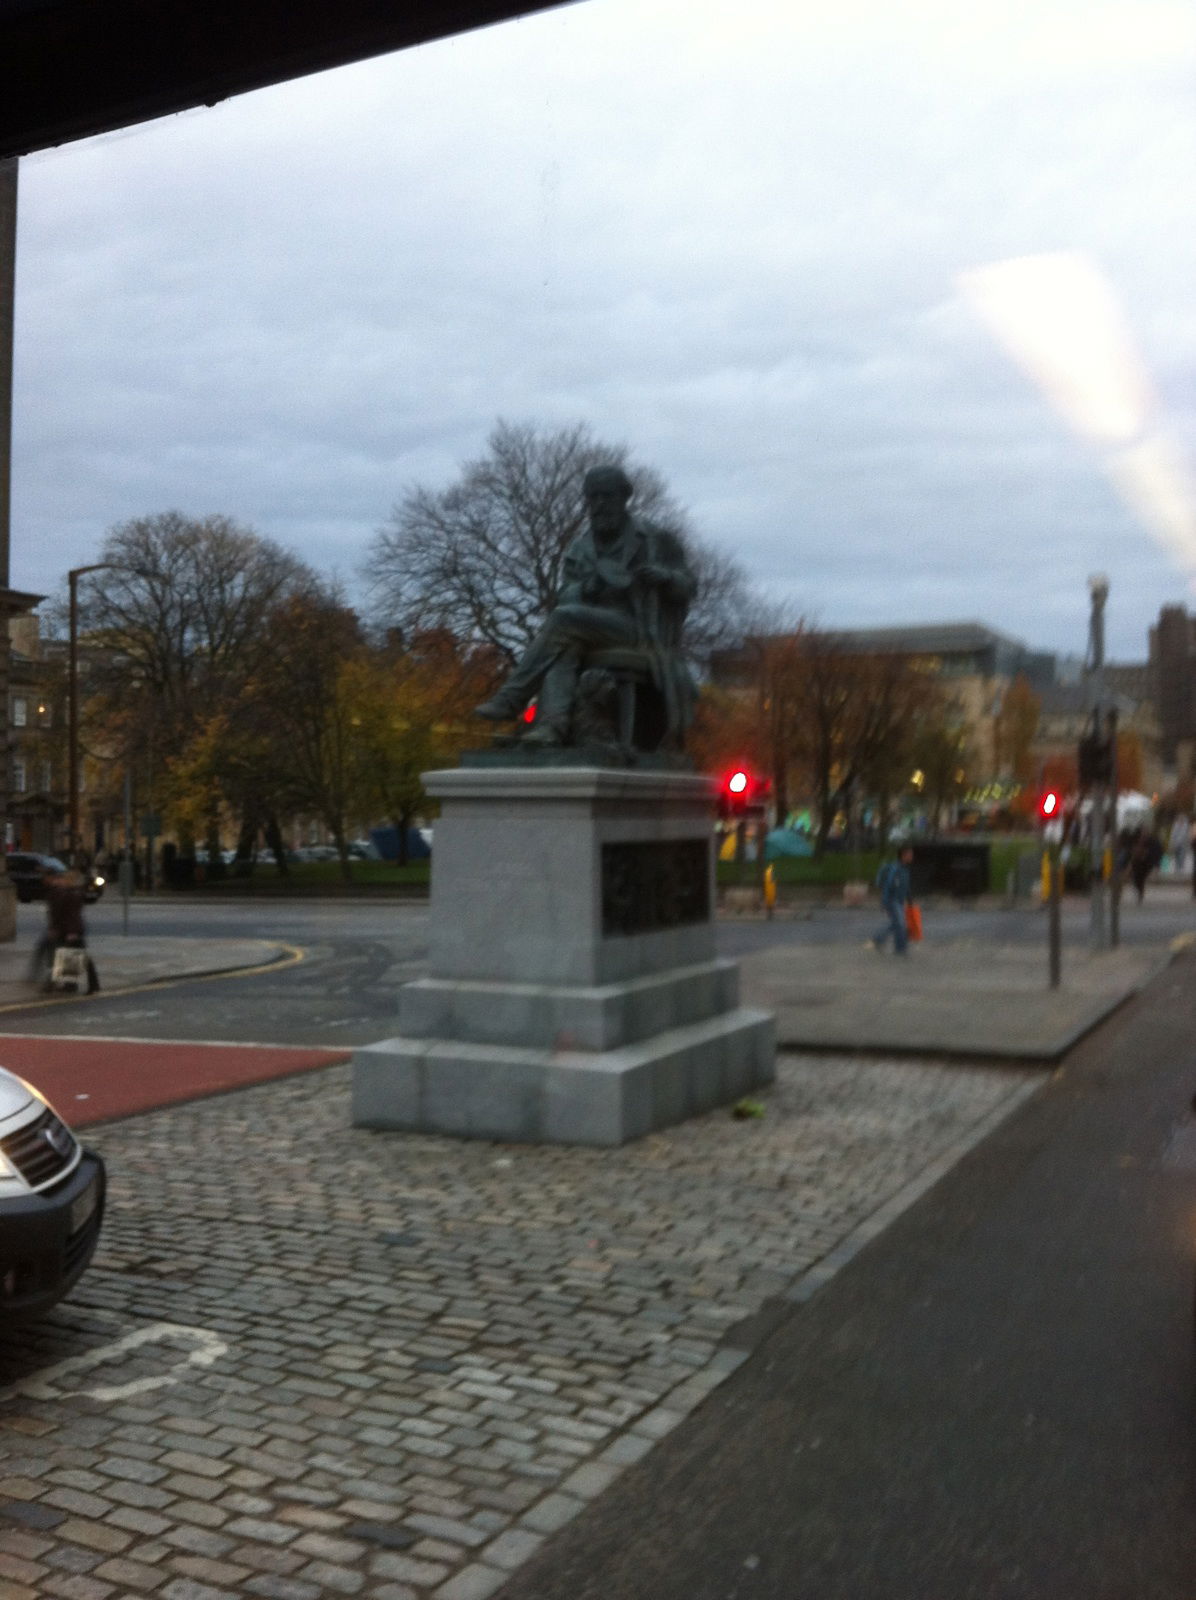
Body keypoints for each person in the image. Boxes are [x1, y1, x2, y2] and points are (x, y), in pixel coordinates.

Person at [474, 464, 696, 747]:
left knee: (565, 621)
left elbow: (689, 586)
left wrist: (665, 577)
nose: (599, 505)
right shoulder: (581, 547)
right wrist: (588, 588)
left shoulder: (654, 539)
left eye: (607, 497)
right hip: (589, 627)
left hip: (639, 628)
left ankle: (511, 698)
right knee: (563, 645)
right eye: (593, 498)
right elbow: (565, 595)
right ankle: (551, 728)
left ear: (623, 498)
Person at [30, 865, 99, 993]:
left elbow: (71, 914)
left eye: (66, 879)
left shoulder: (72, 893)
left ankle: (87, 985)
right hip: (69, 929)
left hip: (72, 930)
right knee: (71, 956)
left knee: (75, 956)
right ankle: (71, 985)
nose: (63, 880)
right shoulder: (69, 891)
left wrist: (70, 931)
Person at [872, 845, 914, 955]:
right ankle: (900, 949)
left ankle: (879, 939)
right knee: (900, 924)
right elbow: (888, 886)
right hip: (892, 900)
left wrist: (909, 900)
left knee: (896, 923)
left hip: (898, 901)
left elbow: (905, 886)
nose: (911, 857)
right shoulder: (896, 869)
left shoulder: (905, 869)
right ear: (903, 856)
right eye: (909, 854)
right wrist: (885, 902)